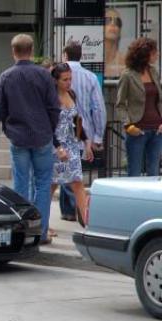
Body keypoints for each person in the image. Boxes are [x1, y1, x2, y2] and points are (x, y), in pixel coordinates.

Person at [0, 34, 60, 244]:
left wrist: (8, 128)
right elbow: (53, 107)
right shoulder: (44, 75)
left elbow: (0, 111)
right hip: (42, 136)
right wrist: (49, 129)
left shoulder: (6, 76)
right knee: (43, 184)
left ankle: (21, 231)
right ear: (31, 51)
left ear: (13, 52)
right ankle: (39, 232)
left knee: (20, 184)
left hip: (18, 137)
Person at [59, 41, 106, 221]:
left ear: (65, 55)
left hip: (64, 135)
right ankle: (74, 212)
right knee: (71, 174)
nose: (69, 82)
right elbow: (98, 108)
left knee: (69, 175)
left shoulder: (57, 76)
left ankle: (72, 211)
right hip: (75, 134)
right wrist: (97, 137)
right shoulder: (90, 77)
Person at [49, 63, 90, 229]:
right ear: (56, 80)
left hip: (72, 144)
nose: (69, 82)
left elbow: (76, 121)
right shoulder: (51, 98)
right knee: (51, 185)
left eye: (70, 79)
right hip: (56, 146)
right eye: (65, 79)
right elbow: (48, 126)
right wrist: (58, 148)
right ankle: (42, 224)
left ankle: (88, 223)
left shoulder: (72, 94)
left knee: (77, 183)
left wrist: (86, 142)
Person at [116, 37, 162, 176]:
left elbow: (159, 100)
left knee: (154, 172)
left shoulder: (153, 72)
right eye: (154, 52)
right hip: (137, 130)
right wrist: (128, 126)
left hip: (157, 131)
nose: (157, 55)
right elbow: (120, 105)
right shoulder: (127, 75)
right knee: (134, 173)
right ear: (144, 54)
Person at [105, 8, 126, 79]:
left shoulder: (125, 61)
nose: (112, 24)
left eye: (117, 22)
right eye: (108, 20)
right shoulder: (93, 58)